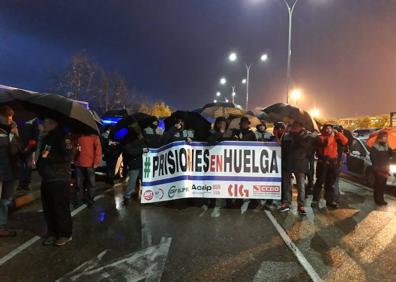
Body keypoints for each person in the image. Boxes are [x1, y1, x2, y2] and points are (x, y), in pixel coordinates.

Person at [36, 118, 74, 246]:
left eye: (45, 122)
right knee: (49, 208)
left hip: (59, 178)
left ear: (53, 123)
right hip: (47, 178)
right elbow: (42, 155)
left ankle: (65, 234)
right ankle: (53, 233)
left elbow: (68, 156)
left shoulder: (64, 137)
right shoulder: (47, 137)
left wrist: (50, 157)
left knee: (60, 208)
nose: (42, 125)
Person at [279, 121, 315, 215]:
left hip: (300, 164)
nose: (293, 127)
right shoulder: (286, 136)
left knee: (301, 186)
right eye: (292, 126)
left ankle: (301, 205)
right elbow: (282, 149)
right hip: (287, 164)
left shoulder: (307, 136)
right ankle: (286, 203)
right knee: (287, 185)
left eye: (296, 126)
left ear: (301, 127)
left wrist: (297, 137)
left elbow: (308, 150)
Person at [311, 124, 348, 209]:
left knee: (330, 183)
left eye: (330, 128)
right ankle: (315, 200)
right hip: (323, 163)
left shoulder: (335, 137)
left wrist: (338, 133)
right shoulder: (320, 137)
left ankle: (329, 200)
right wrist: (332, 135)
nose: (328, 130)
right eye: (326, 128)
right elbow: (326, 144)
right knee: (319, 182)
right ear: (323, 129)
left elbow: (345, 141)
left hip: (332, 163)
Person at [0, 106, 22, 237]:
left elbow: (18, 149)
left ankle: (1, 226)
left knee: (5, 201)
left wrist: (15, 133)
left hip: (12, 171)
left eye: (11, 116)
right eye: (7, 116)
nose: (9, 119)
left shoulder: (13, 130)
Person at [73, 134, 102, 208]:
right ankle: (88, 200)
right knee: (89, 184)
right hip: (84, 163)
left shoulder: (79, 135)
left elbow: (98, 150)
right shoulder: (93, 136)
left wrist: (96, 162)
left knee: (81, 184)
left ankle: (81, 200)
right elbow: (98, 150)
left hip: (85, 164)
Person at [122, 131, 148, 204]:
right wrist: (142, 150)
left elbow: (145, 149)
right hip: (135, 165)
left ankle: (144, 195)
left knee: (141, 181)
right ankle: (127, 196)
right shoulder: (129, 143)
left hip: (141, 164)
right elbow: (131, 152)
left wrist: (144, 149)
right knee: (132, 182)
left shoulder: (140, 142)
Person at [369, 132, 393, 206]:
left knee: (383, 185)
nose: (386, 138)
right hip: (379, 169)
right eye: (384, 137)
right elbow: (372, 157)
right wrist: (376, 167)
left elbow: (390, 155)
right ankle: (377, 199)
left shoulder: (386, 146)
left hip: (385, 168)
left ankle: (381, 199)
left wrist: (390, 149)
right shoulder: (375, 147)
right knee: (378, 185)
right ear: (380, 138)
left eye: (386, 137)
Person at [18, 119, 39, 191]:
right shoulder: (33, 121)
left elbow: (35, 136)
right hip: (26, 147)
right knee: (26, 166)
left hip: (24, 147)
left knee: (24, 165)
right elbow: (35, 136)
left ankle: (22, 184)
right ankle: (24, 184)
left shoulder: (19, 119)